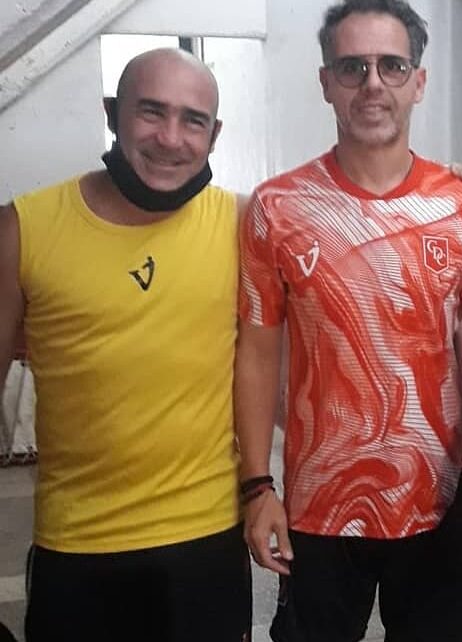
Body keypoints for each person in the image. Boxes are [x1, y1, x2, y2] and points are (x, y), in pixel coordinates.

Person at [235, 1, 462, 640]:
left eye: (392, 66)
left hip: (438, 503)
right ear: (326, 82)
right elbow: (255, 352)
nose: (372, 84)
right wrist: (257, 486)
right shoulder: (278, 208)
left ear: (419, 81)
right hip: (320, 506)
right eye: (352, 67)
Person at [0, 48, 252, 641]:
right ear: (112, 113)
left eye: (193, 120)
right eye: (151, 111)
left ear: (214, 135)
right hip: (76, 546)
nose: (171, 138)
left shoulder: (244, 225)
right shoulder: (22, 228)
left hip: (207, 539)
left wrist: (451, 186)